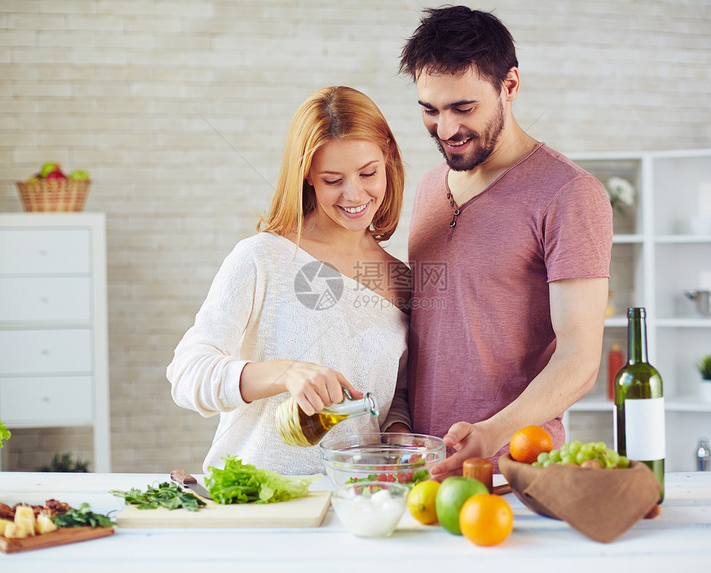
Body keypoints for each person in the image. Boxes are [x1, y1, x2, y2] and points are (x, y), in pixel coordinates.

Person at [399, 6, 613, 477]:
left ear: (510, 86)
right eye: (430, 111)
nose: (447, 130)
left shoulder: (570, 194)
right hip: (423, 466)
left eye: (464, 108)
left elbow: (580, 361)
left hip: (515, 468)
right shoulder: (430, 187)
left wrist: (491, 433)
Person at [167, 86, 412, 475]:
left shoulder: (402, 279)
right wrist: (285, 373)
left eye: (368, 173)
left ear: (389, 161)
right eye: (333, 180)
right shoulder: (261, 258)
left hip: (356, 499)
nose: (355, 194)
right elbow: (186, 374)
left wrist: (398, 432)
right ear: (307, 178)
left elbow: (395, 392)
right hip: (260, 503)